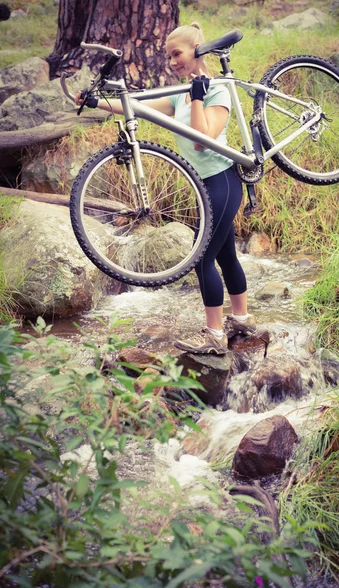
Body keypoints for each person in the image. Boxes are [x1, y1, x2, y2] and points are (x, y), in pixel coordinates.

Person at [75, 22, 256, 355]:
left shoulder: (216, 90)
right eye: (168, 56)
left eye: (177, 54)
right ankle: (242, 320)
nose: (172, 62)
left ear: (197, 51)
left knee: (204, 259)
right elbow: (136, 108)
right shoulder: (178, 94)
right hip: (206, 187)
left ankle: (215, 336)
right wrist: (96, 102)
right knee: (227, 255)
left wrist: (198, 98)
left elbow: (203, 142)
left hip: (223, 183)